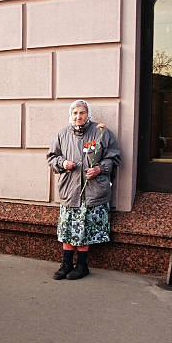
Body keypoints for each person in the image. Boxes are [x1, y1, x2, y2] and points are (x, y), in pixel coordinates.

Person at [46, 100, 121, 280]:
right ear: (71, 115)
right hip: (71, 192)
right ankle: (66, 265)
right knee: (67, 230)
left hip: (92, 192)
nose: (78, 116)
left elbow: (114, 158)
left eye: (82, 113)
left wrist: (99, 169)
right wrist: (63, 163)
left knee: (84, 231)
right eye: (75, 113)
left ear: (88, 114)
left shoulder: (101, 133)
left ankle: (82, 266)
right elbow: (51, 157)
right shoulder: (63, 134)